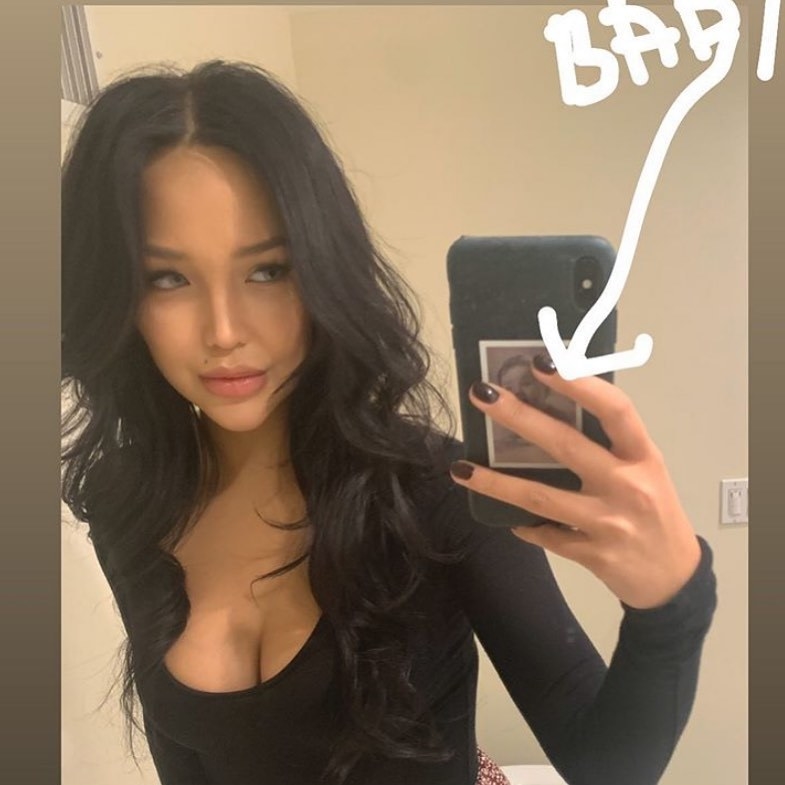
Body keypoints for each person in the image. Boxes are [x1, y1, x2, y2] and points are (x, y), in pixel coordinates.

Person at [60, 60, 717, 785]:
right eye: (168, 278)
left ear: (323, 270)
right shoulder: (128, 500)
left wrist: (671, 603)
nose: (224, 330)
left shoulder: (429, 493)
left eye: (268, 270)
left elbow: (605, 765)